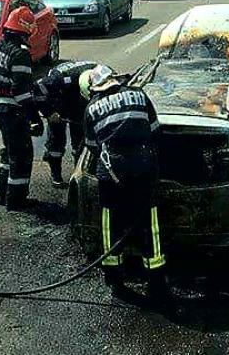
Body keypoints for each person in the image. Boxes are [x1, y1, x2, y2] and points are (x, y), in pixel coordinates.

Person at [81, 65, 168, 299]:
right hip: (143, 167)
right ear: (114, 80)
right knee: (150, 224)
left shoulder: (92, 108)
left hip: (111, 173)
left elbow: (91, 146)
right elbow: (155, 131)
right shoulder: (139, 95)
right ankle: (156, 280)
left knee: (111, 224)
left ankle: (115, 278)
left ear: (96, 88)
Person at [0, 6, 43, 210]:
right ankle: (16, 201)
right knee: (22, 155)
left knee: (10, 151)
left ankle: (3, 195)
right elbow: (21, 92)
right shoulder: (20, 55)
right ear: (26, 30)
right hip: (13, 111)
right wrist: (35, 118)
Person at [33, 61, 98, 188]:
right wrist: (49, 113)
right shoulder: (58, 80)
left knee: (79, 141)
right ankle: (56, 175)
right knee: (56, 140)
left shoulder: (102, 76)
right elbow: (37, 88)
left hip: (78, 105)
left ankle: (78, 176)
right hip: (58, 100)